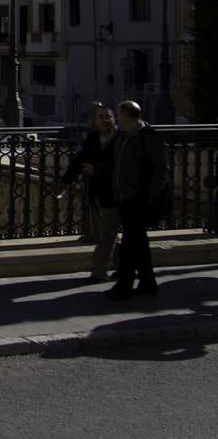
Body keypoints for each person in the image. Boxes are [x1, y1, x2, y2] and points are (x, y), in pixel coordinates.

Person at [107, 100, 168, 300]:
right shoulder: (121, 136)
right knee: (138, 242)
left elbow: (160, 168)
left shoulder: (147, 136)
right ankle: (148, 283)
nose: (116, 117)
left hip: (138, 197)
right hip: (123, 195)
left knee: (129, 242)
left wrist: (151, 195)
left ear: (128, 115)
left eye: (119, 113)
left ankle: (124, 284)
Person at [57, 102, 119, 282]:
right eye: (101, 117)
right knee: (107, 233)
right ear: (96, 121)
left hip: (115, 192)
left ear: (114, 119)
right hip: (97, 192)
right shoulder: (93, 138)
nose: (105, 120)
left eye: (108, 117)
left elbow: (122, 164)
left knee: (107, 235)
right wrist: (65, 181)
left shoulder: (121, 138)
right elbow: (80, 161)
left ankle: (99, 273)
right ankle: (125, 267)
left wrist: (97, 169)